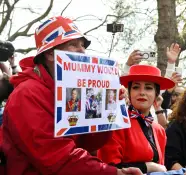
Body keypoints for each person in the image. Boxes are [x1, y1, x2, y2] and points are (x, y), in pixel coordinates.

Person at [0, 16, 141, 175]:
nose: (82, 50)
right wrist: (114, 173)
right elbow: (56, 159)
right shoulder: (27, 94)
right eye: (73, 44)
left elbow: (90, 144)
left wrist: (108, 109)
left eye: (82, 45)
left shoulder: (73, 87)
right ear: (50, 54)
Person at [98, 65, 175, 174]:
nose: (142, 92)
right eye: (135, 87)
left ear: (156, 94)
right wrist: (148, 167)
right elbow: (108, 167)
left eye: (148, 88)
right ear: (129, 92)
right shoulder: (116, 123)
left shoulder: (160, 130)